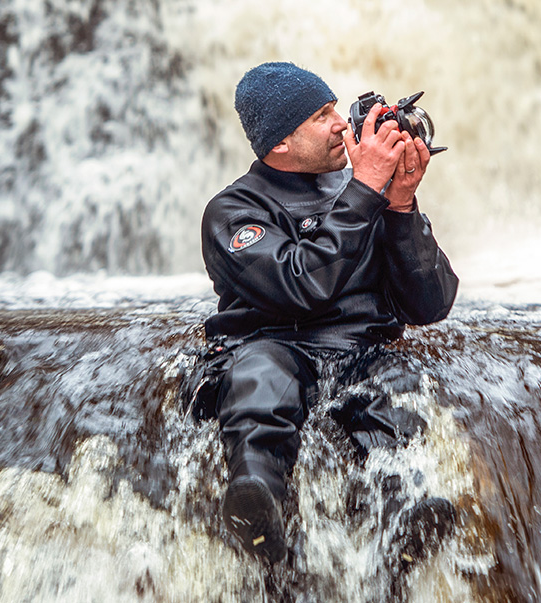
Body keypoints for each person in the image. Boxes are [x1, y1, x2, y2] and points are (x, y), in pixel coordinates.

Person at [194, 61, 458, 564]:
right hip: (271, 345)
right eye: (322, 114)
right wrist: (366, 190)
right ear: (280, 144)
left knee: (395, 384)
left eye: (336, 107)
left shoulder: (360, 190)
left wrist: (401, 205)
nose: (342, 123)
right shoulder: (233, 211)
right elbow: (300, 284)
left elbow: (430, 303)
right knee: (258, 374)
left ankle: (406, 512)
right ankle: (256, 501)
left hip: (358, 353)